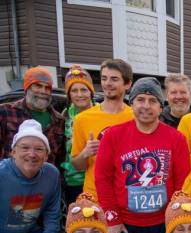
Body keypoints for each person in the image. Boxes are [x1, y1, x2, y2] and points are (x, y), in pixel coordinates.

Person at [94, 77, 191, 233]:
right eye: (140, 100)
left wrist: (176, 225)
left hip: (161, 225)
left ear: (161, 106)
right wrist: (113, 220)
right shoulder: (114, 136)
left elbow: (182, 183)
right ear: (131, 102)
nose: (146, 106)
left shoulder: (176, 138)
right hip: (126, 226)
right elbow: (102, 179)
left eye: (152, 101)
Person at [71, 59, 134, 197]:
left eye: (114, 79)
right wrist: (86, 153)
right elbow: (77, 165)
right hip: (94, 198)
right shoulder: (82, 119)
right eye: (104, 78)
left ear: (128, 84)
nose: (108, 83)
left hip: (127, 196)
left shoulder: (136, 117)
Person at [0, 66, 65, 165]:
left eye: (47, 88)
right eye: (38, 86)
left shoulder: (59, 120)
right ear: (27, 88)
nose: (43, 91)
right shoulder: (5, 112)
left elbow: (60, 159)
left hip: (45, 178)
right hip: (10, 178)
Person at [61, 65, 95, 204]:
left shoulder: (100, 113)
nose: (79, 94)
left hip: (95, 180)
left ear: (91, 92)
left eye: (84, 90)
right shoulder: (64, 116)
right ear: (69, 94)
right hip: (73, 181)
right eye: (74, 90)